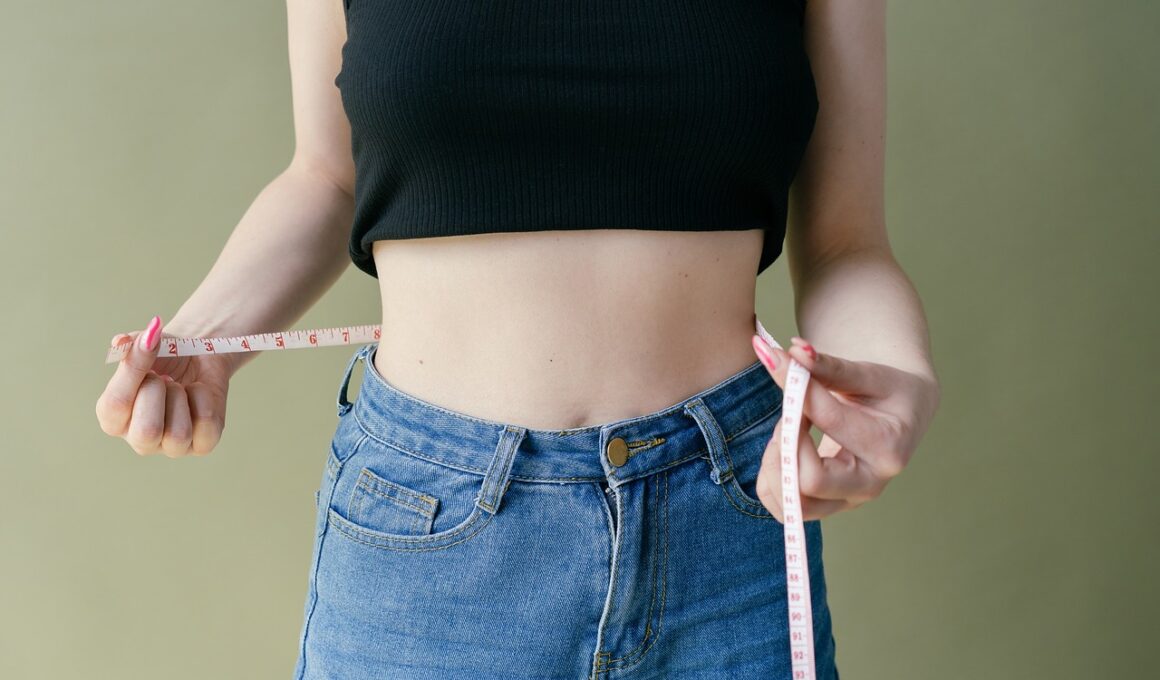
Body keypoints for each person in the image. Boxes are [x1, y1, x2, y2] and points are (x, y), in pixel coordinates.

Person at [96, 0, 940, 677]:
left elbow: (847, 244)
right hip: (427, 529)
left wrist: (896, 378)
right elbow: (325, 177)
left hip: (728, 521)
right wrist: (205, 339)